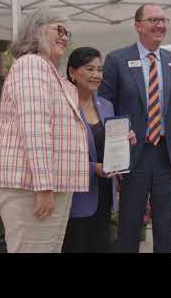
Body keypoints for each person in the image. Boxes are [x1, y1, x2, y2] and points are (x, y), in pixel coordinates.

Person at [0, 7, 90, 253]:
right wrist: (44, 187)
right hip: (30, 189)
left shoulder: (49, 72)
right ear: (36, 31)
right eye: (60, 29)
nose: (66, 37)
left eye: (69, 32)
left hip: (46, 187)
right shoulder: (32, 65)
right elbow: (35, 129)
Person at [98, 4, 171, 253]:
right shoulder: (117, 60)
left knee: (166, 226)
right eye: (153, 20)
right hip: (131, 156)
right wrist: (113, 152)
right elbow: (105, 108)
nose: (160, 25)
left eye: (164, 19)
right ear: (138, 26)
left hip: (165, 157)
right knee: (128, 227)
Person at [61, 47, 136, 253]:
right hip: (75, 197)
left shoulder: (106, 105)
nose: (96, 75)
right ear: (72, 72)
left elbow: (108, 146)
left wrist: (124, 140)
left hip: (103, 196)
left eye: (100, 70)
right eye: (89, 69)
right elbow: (58, 155)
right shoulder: (63, 107)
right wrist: (93, 167)